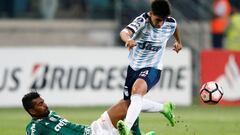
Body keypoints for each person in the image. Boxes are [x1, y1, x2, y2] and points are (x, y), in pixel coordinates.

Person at [117, 0, 182, 134]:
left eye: (163, 20)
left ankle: (126, 128)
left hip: (153, 67)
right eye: (158, 20)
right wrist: (128, 40)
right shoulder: (142, 21)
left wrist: (178, 42)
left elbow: (175, 27)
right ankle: (164, 108)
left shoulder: (170, 23)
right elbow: (124, 32)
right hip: (133, 67)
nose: (161, 24)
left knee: (137, 91)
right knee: (131, 103)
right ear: (151, 14)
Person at [22, 91, 156, 135]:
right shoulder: (34, 128)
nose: (45, 105)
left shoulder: (51, 114)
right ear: (32, 110)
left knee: (127, 103)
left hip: (93, 129)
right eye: (40, 105)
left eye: (43, 102)